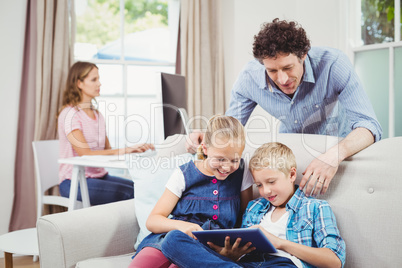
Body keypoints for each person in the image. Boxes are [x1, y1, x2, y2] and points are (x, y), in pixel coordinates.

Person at [186, 18, 382, 197]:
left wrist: (333, 156)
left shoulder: (334, 64)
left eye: (288, 68)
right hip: (292, 152)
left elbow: (369, 126)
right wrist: (209, 136)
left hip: (337, 147)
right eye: (272, 70)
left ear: (303, 55)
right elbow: (231, 130)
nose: (282, 79)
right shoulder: (248, 79)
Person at [161, 142, 346, 268]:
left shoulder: (315, 208)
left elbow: (335, 260)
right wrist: (230, 254)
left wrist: (279, 243)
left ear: (291, 175)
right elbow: (238, 254)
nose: (265, 191)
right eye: (259, 185)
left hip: (283, 264)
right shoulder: (254, 208)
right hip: (244, 264)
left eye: (271, 182)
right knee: (172, 240)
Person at [128, 115, 254, 268]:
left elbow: (245, 217)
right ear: (205, 149)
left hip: (208, 249)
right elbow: (153, 220)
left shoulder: (241, 171)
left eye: (234, 160)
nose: (227, 167)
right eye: (220, 159)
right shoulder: (184, 174)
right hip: (167, 239)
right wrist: (182, 226)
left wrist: (232, 250)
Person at [58, 61, 154, 205]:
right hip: (74, 181)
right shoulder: (70, 114)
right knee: (131, 194)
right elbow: (85, 154)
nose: (99, 84)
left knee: (142, 188)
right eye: (93, 80)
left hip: (99, 176)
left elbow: (107, 151)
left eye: (99, 79)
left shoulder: (97, 115)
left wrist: (132, 150)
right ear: (79, 83)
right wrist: (124, 150)